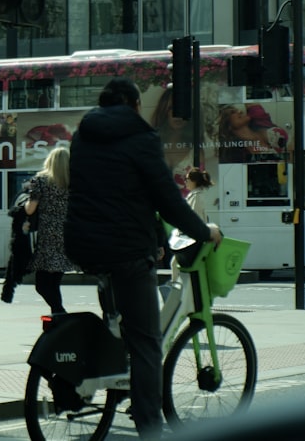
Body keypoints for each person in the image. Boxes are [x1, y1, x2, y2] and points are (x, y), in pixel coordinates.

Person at [65, 78, 221, 441]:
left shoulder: (82, 135)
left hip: (81, 243)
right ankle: (150, 426)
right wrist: (203, 231)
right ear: (135, 105)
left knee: (119, 319)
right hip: (125, 249)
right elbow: (167, 199)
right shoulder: (144, 139)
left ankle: (112, 362)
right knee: (147, 341)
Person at [24, 147, 74, 314]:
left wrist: (24, 202)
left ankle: (60, 313)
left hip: (48, 236)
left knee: (42, 284)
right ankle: (58, 315)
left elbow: (30, 209)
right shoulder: (74, 182)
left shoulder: (40, 180)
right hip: (67, 235)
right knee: (54, 282)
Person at [218, 103, 289, 164]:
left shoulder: (263, 124)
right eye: (233, 112)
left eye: (237, 110)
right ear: (228, 125)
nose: (240, 112)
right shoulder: (234, 153)